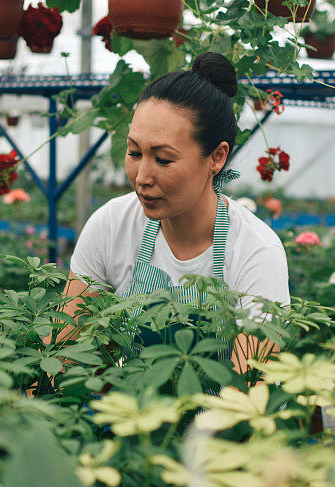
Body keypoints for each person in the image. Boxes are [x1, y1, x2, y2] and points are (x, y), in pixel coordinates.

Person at [60, 52, 290, 372]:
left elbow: (249, 395)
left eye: (163, 159)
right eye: (134, 152)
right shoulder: (112, 224)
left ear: (216, 157)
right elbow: (62, 352)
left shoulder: (256, 251)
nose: (142, 177)